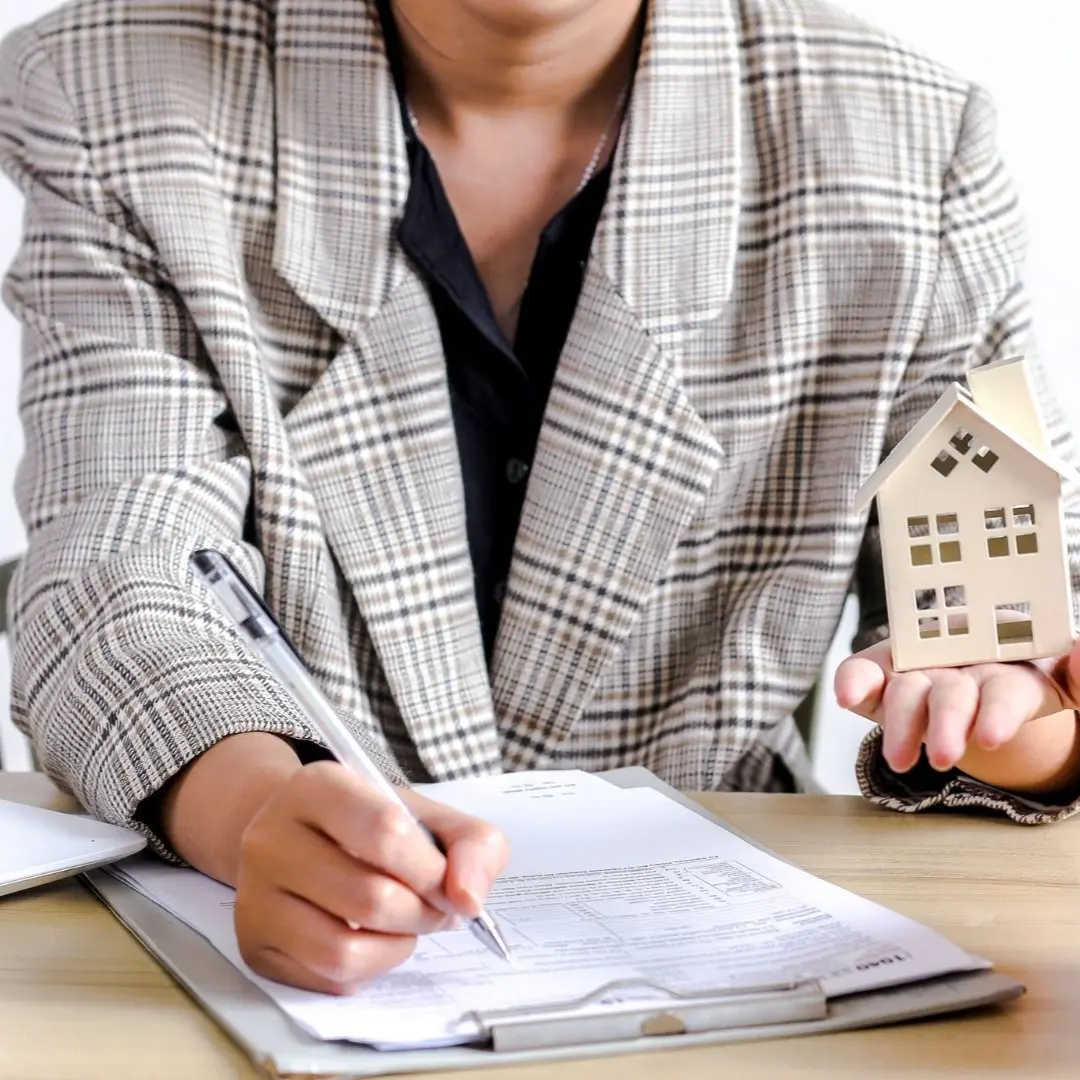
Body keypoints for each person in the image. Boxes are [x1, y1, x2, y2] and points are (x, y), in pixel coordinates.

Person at [1, 0, 1078, 995]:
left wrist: (1008, 713)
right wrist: (250, 807)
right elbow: (113, 560)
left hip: (739, 969)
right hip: (283, 964)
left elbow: (1009, 606)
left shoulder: (916, 145)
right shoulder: (109, 88)